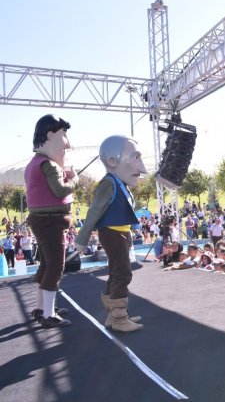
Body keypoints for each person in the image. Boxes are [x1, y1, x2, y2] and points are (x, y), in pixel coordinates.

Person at [75, 135, 147, 332]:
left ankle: (113, 313)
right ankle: (119, 317)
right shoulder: (109, 183)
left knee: (117, 271)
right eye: (135, 158)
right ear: (113, 161)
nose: (142, 169)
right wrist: (82, 239)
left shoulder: (119, 182)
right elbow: (94, 211)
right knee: (123, 272)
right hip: (112, 233)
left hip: (120, 233)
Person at [25, 114, 78, 328]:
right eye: (64, 134)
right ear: (50, 135)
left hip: (42, 220)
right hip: (51, 222)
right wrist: (74, 179)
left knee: (47, 264)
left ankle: (42, 308)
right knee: (56, 265)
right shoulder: (48, 164)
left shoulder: (34, 163)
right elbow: (60, 190)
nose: (68, 143)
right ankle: (47, 315)